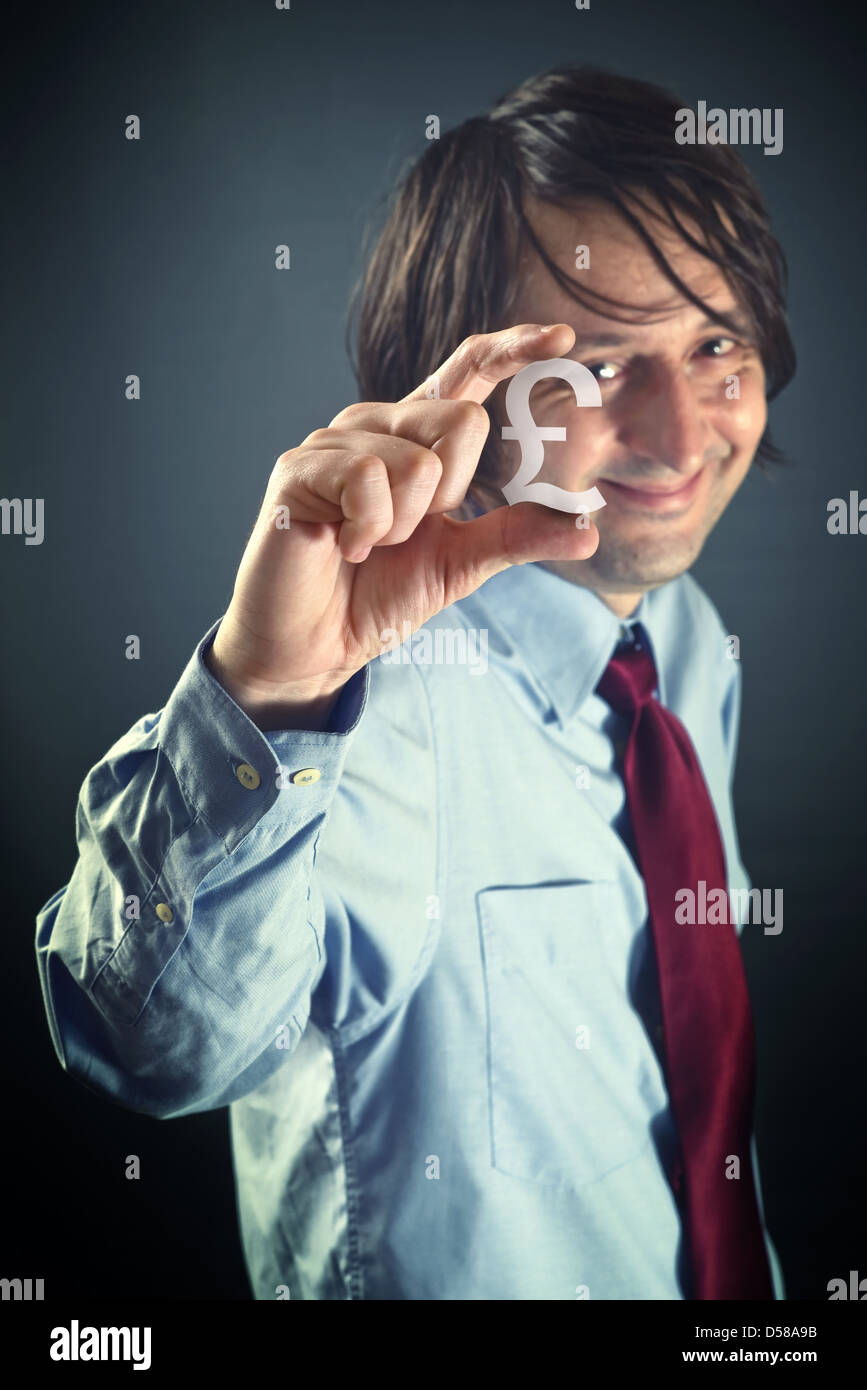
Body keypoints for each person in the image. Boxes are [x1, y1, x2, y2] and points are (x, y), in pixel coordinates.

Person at [35, 65, 795, 1300]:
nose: (679, 430)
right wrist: (269, 690)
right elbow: (144, 1045)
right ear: (468, 393)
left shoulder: (686, 647)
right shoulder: (363, 707)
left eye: (714, 340)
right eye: (598, 365)